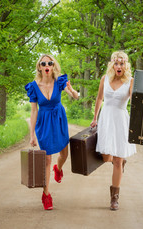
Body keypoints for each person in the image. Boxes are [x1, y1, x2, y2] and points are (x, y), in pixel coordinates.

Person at [25, 54, 79, 210]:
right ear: (40, 67)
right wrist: (32, 135)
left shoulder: (60, 81)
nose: (47, 65)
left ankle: (59, 169)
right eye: (43, 63)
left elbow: (75, 96)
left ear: (53, 66)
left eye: (50, 63)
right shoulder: (34, 87)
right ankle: (46, 195)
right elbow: (34, 111)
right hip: (44, 124)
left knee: (64, 154)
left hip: (59, 120)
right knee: (47, 159)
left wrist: (71, 89)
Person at [90, 51, 136, 210]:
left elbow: (136, 102)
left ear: (126, 65)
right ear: (112, 64)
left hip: (121, 120)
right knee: (105, 156)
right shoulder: (105, 79)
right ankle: (121, 161)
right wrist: (95, 117)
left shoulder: (130, 81)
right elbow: (99, 98)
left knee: (117, 159)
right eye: (116, 63)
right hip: (106, 119)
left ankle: (114, 198)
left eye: (122, 63)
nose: (119, 66)